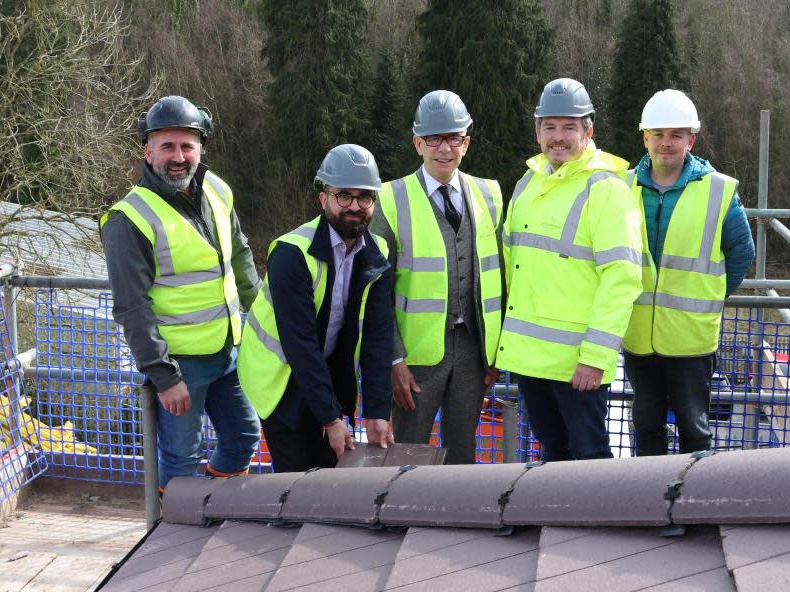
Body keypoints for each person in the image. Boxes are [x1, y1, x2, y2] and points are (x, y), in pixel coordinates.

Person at [100, 95, 261, 491]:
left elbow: (239, 256)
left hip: (229, 350)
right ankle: (170, 541)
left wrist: (261, 321)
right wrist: (163, 375)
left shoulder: (218, 192)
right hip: (180, 365)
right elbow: (132, 308)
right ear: (148, 150)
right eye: (167, 146)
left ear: (200, 148)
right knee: (180, 459)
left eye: (187, 145)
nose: (178, 156)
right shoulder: (130, 218)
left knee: (244, 436)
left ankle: (213, 510)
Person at [498, 78, 644, 461]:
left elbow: (622, 278)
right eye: (550, 127)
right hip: (531, 361)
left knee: (590, 457)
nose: (558, 137)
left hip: (579, 366)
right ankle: (557, 523)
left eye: (569, 127)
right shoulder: (528, 183)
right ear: (537, 131)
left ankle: (598, 524)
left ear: (588, 131)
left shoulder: (607, 190)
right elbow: (514, 267)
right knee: (552, 455)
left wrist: (596, 357)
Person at [237, 144, 395, 473]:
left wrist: (378, 411)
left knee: (328, 471)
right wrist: (330, 417)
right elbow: (301, 345)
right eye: (343, 196)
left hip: (326, 369)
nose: (355, 206)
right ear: (324, 199)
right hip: (278, 376)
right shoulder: (292, 254)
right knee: (295, 477)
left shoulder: (377, 253)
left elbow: (378, 337)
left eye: (364, 197)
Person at [372, 91, 504, 464]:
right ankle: (400, 518)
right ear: (417, 143)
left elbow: (499, 279)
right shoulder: (391, 198)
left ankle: (456, 521)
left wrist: (494, 352)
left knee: (462, 450)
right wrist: (393, 360)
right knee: (405, 450)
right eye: (434, 139)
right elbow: (376, 292)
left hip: (473, 351)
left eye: (454, 138)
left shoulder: (490, 194)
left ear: (467, 142)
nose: (444, 148)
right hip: (415, 357)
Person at [624, 89, 755, 455]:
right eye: (658, 135)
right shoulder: (621, 186)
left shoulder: (717, 191)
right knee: (646, 424)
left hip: (691, 341)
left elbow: (742, 253)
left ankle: (693, 505)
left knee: (694, 429)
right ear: (645, 137)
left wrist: (709, 295)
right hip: (637, 335)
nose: (666, 143)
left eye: (676, 135)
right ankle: (651, 500)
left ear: (690, 140)